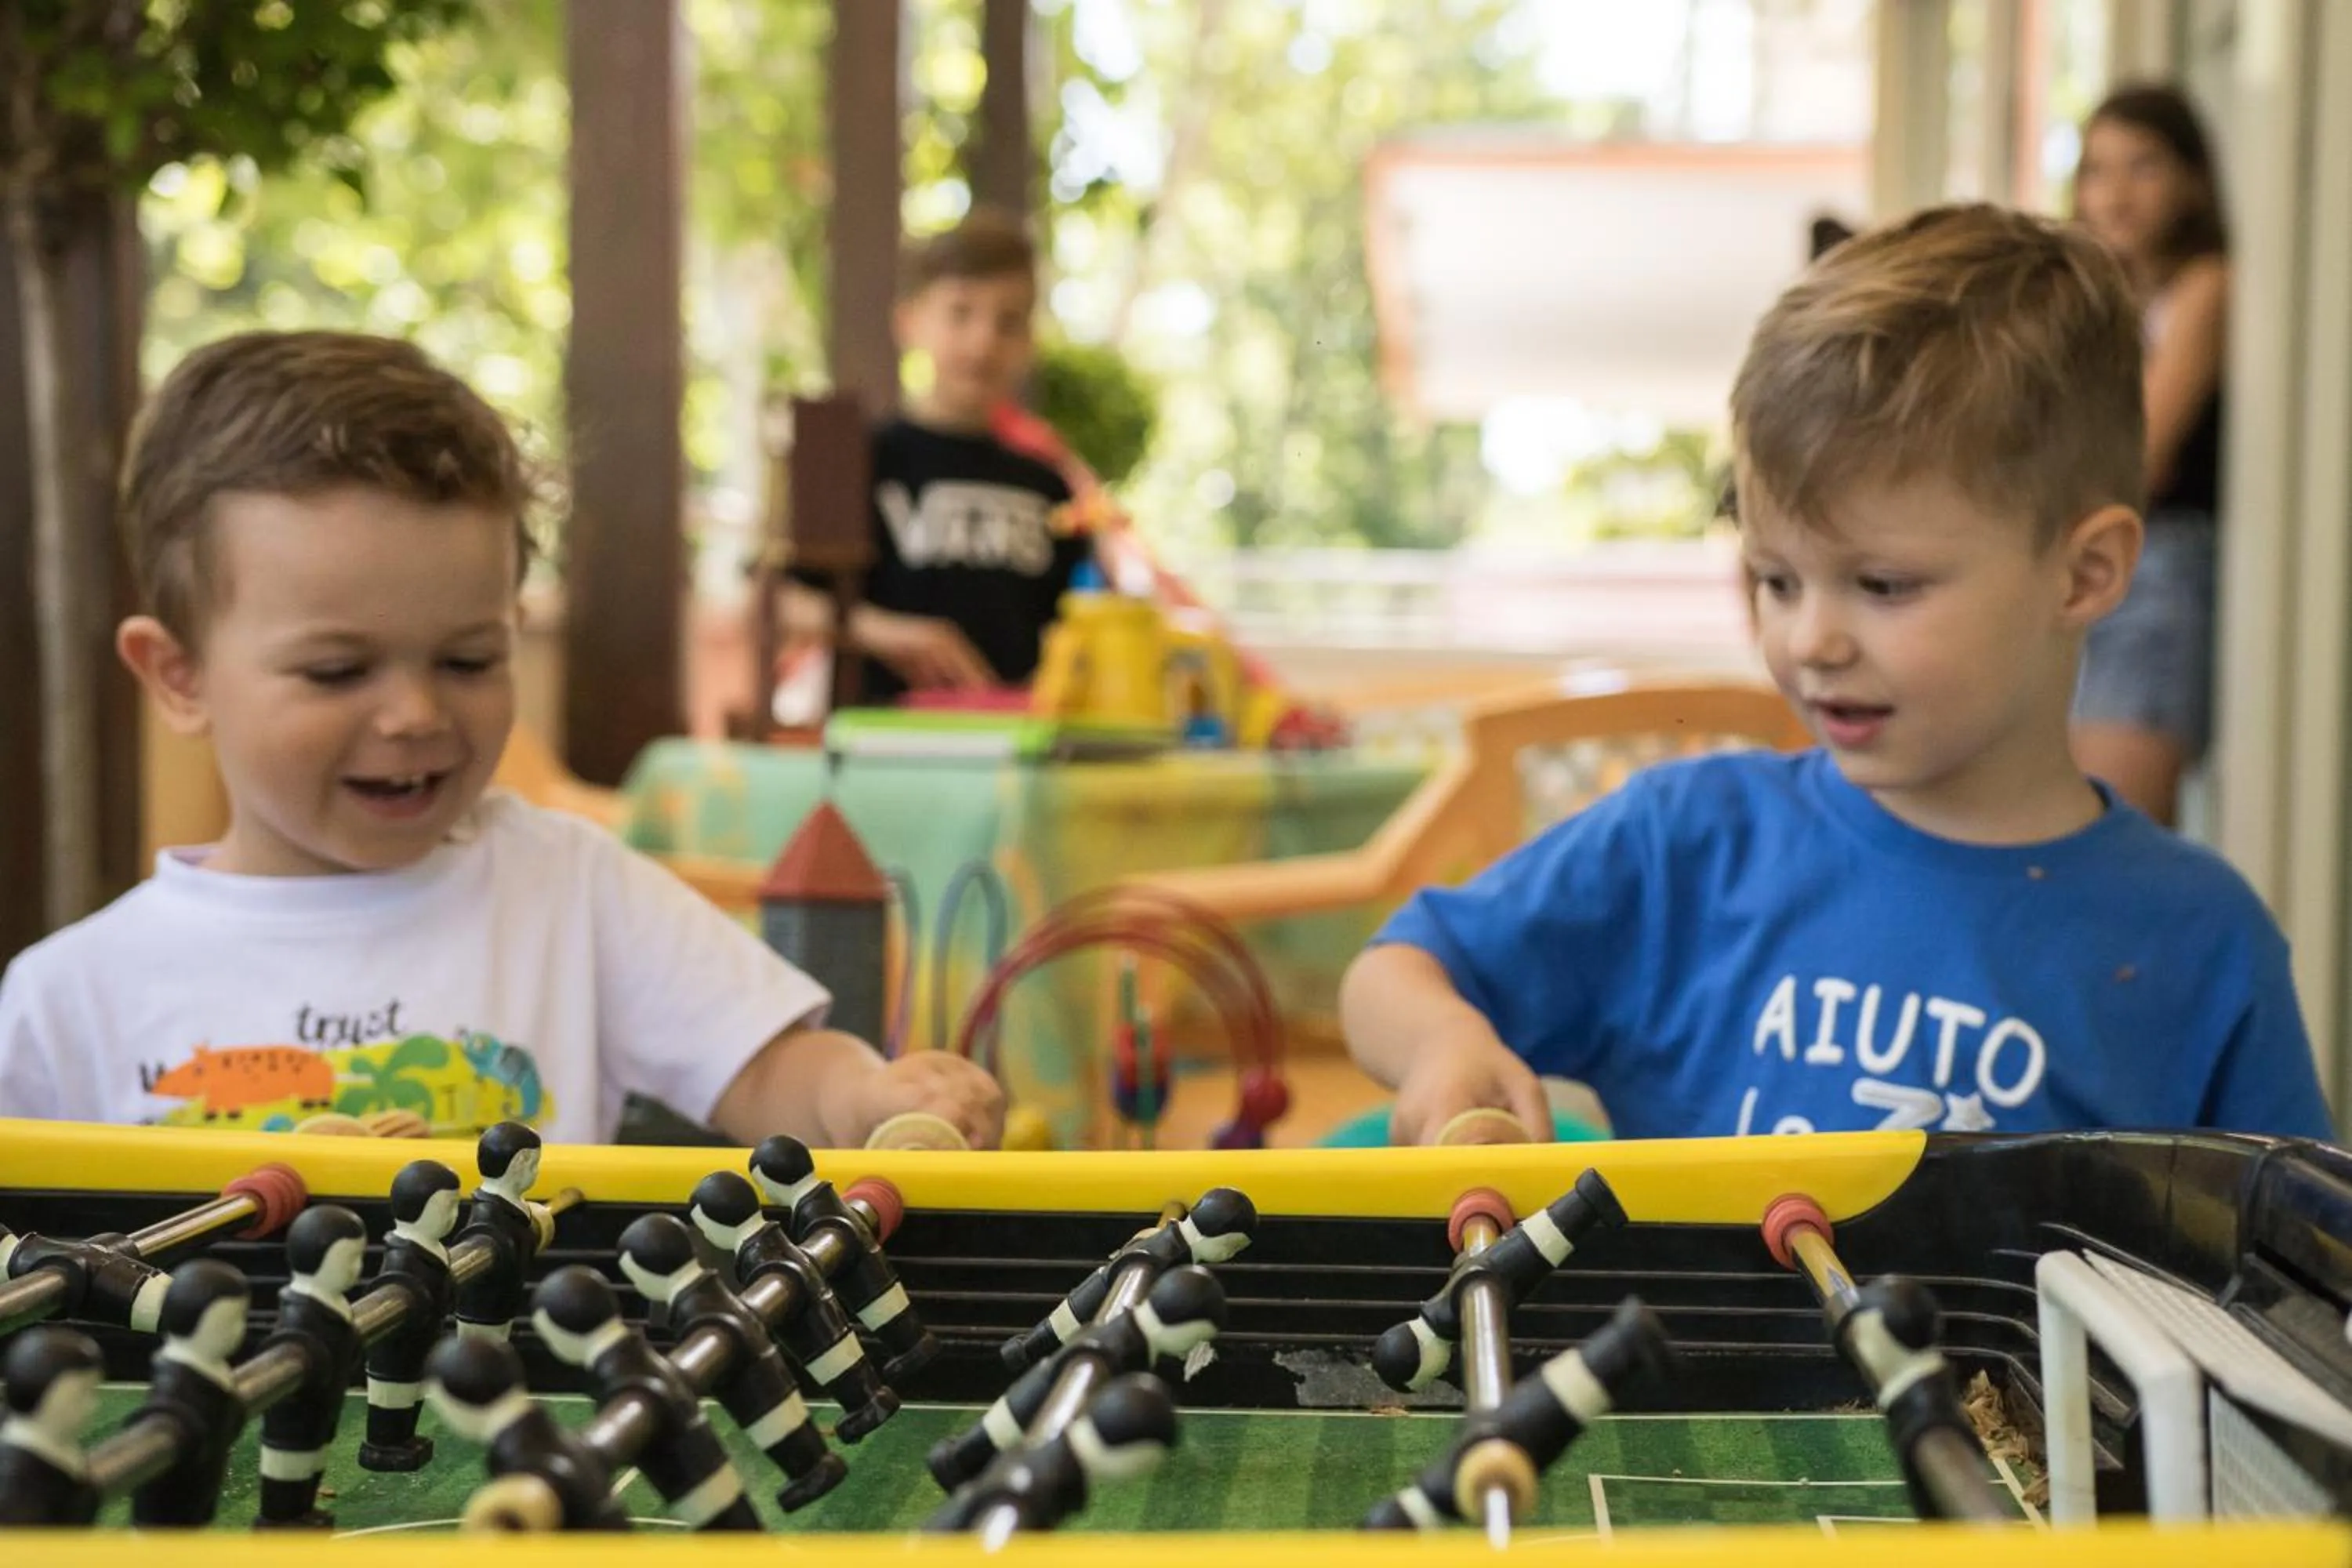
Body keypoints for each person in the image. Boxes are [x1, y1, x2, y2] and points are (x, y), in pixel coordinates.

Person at [1341, 204, 2331, 1148]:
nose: (1810, 638)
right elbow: (1396, 969)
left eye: (1883, 584)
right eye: (1775, 578)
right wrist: (1443, 1042)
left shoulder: (2202, 942)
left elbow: (2284, 1271)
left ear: (2084, 574)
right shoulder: (1686, 846)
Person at [0, 330, 1004, 1149]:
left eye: (469, 659)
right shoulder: (64, 1004)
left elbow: (775, 1070)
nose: (415, 716)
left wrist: (871, 1099)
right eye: (339, 670)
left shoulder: (575, 892)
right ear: (180, 676)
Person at [784, 207, 1091, 706]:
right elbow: (781, 603)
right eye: (960, 312)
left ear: (1030, 341)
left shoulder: (1048, 484)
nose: (983, 341)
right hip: (882, 751)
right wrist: (886, 632)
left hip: (1010, 747)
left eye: (1008, 322)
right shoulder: (862, 459)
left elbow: (1076, 625)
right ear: (910, 323)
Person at [2070, 83, 2231, 826]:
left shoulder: (2203, 287)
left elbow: (2141, 453)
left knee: (2117, 829)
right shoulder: (2101, 296)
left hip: (2158, 567)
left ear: (2192, 180)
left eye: (2144, 167)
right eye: (2097, 170)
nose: (2115, 193)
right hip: (2085, 567)